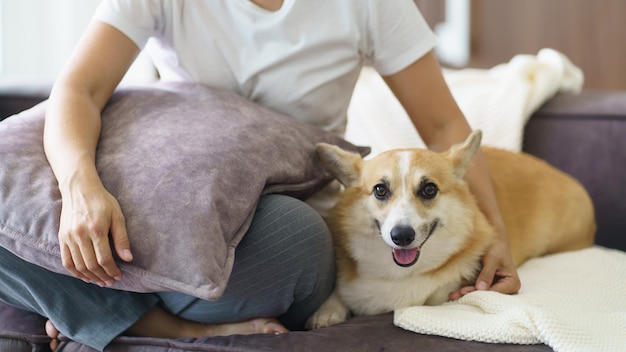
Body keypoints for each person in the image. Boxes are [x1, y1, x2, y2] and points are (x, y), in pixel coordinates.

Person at [0, 0, 520, 351]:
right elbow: (79, 90)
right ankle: (138, 318)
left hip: (268, 230)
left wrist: (493, 236)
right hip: (161, 205)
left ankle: (89, 304)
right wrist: (79, 187)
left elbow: (443, 124)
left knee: (293, 238)